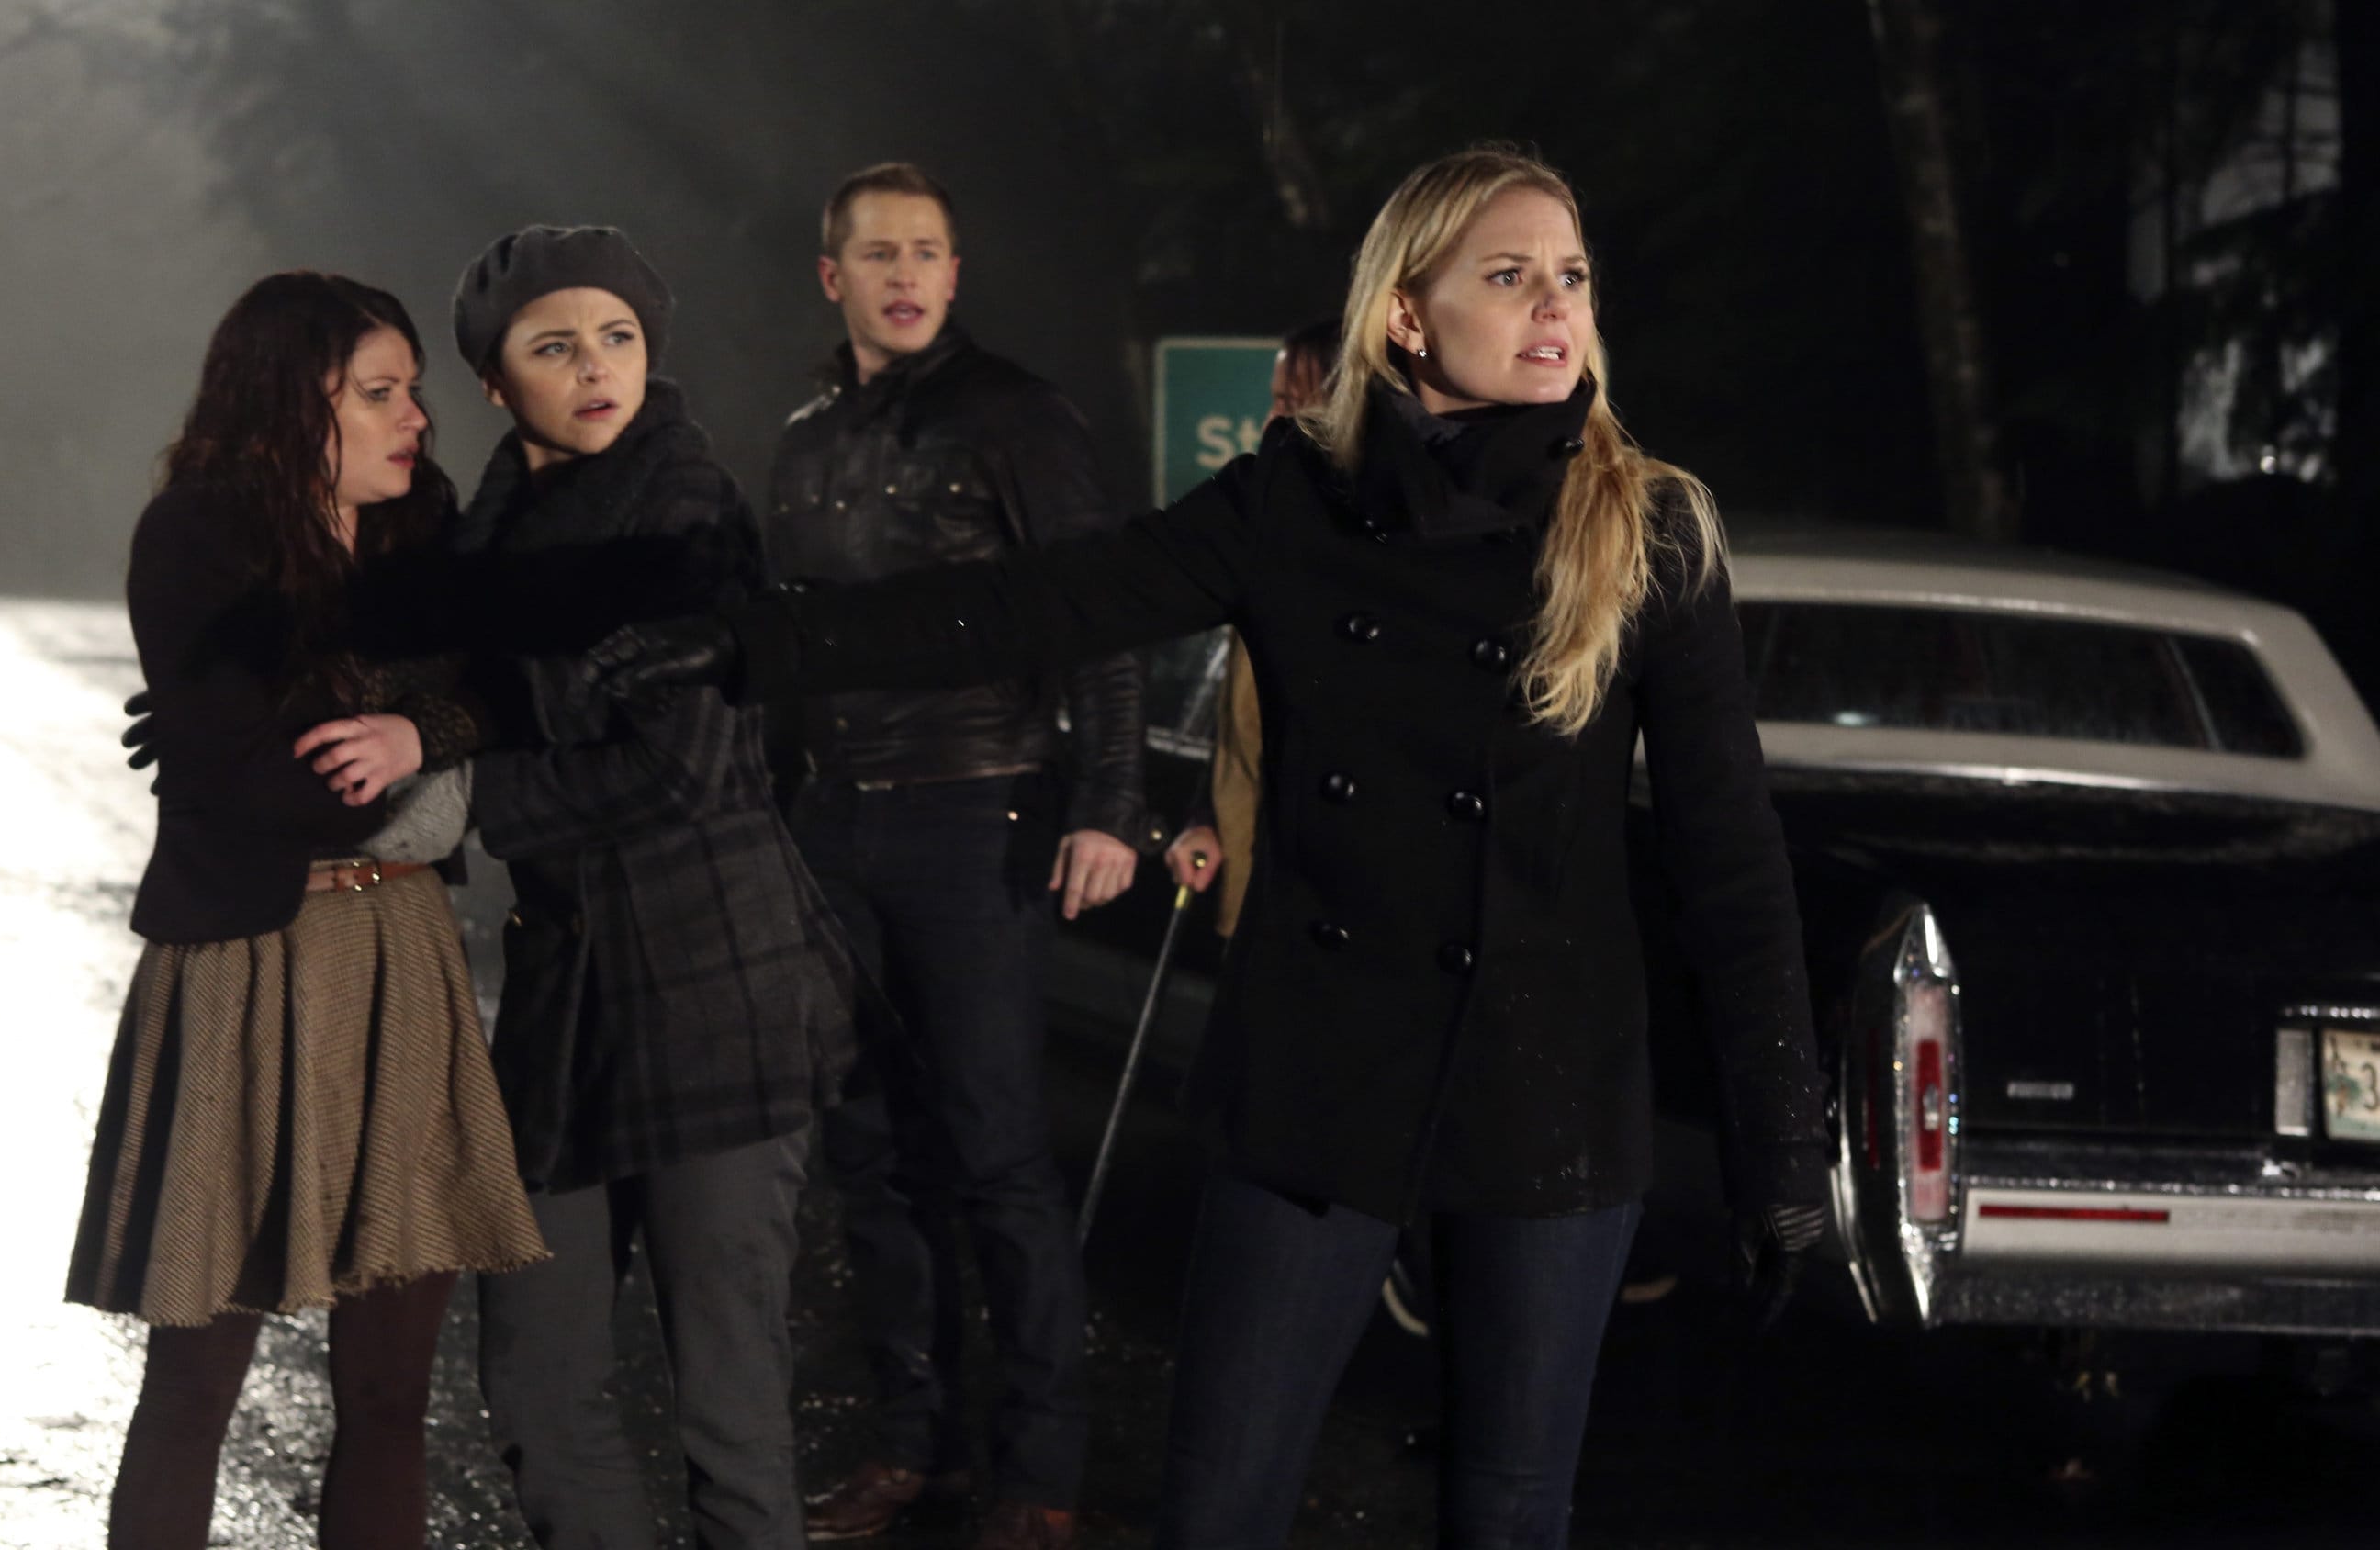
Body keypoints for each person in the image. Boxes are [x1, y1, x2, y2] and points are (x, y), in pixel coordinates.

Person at [585, 145, 1831, 1550]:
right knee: (1220, 1505)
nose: (1556, 305)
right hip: (1320, 1077)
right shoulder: (1295, 498)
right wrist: (755, 642)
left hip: (1546, 1086)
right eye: (1509, 274)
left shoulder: (1649, 527)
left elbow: (1732, 862)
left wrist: (1784, 1145)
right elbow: (1041, 602)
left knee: (1507, 1510)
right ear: (1407, 315)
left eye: (1573, 276)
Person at [68, 271, 546, 1550]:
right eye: (379, 393)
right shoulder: (196, 535)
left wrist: (409, 727)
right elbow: (263, 780)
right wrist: (398, 738)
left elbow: (520, 684)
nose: (416, 419)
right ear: (293, 405)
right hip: (243, 959)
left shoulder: (422, 526)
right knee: (194, 1386)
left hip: (399, 955)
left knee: (391, 1395)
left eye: (414, 391)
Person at [447, 224, 867, 1550]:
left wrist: (455, 796)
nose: (595, 367)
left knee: (728, 1411)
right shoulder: (490, 529)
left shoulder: (682, 506)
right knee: (535, 1380)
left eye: (618, 337)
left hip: (712, 987)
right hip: (566, 998)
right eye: (555, 345)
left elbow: (677, 770)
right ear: (496, 380)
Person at [766, 163, 1148, 1550]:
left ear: (954, 271)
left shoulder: (1016, 417)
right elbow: (790, 645)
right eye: (879, 254)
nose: (906, 275)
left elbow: (1098, 614)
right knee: (872, 1153)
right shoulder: (806, 438)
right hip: (837, 824)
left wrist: (1111, 801)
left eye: (927, 251)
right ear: (835, 276)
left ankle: (1038, 1475)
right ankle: (913, 1450)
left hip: (977, 811)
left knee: (995, 1151)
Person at [1162, 317, 1340, 938]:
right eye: (1275, 403)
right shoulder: (1273, 540)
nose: (1271, 424)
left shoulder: (1369, 570)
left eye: (1292, 405)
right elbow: (1244, 714)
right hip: (1253, 900)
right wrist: (1207, 815)